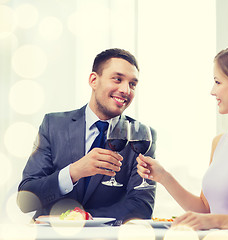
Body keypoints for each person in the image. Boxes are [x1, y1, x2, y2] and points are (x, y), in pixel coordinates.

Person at [137, 43, 228, 230]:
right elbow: (205, 209)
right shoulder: (219, 142)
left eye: (217, 82)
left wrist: (214, 221)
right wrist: (163, 177)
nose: (212, 91)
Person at [17, 48, 157, 223]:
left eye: (132, 84)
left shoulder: (141, 136)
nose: (126, 90)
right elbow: (25, 200)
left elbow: (142, 206)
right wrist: (73, 172)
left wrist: (82, 219)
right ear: (93, 80)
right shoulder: (53, 125)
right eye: (118, 79)